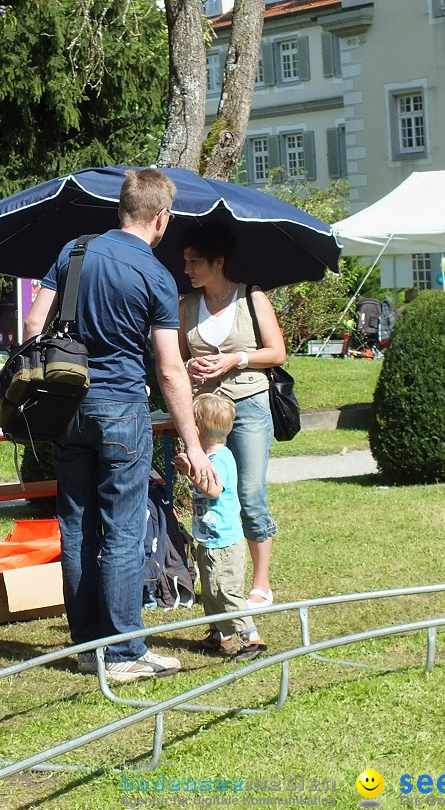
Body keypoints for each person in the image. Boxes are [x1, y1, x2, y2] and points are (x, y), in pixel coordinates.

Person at [23, 167, 215, 683]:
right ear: (161, 218)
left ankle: (89, 648)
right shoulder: (155, 275)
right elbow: (170, 368)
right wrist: (193, 445)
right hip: (122, 408)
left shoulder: (74, 252)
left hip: (67, 406)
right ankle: (126, 651)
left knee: (77, 527)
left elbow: (31, 325)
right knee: (123, 531)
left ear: (121, 210)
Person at [177, 223, 285, 610]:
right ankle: (219, 577)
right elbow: (176, 358)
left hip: (250, 404)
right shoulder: (187, 304)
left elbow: (277, 353)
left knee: (250, 493)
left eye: (195, 261)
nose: (188, 268)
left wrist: (234, 358)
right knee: (209, 492)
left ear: (218, 262)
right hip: (205, 413)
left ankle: (261, 583)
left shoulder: (250, 297)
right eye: (186, 261)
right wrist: (190, 366)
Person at [174, 394, 267, 661]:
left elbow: (213, 490)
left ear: (198, 429)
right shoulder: (210, 457)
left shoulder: (220, 459)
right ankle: (220, 636)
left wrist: (190, 473)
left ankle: (251, 638)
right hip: (211, 540)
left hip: (225, 544)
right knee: (211, 591)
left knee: (226, 590)